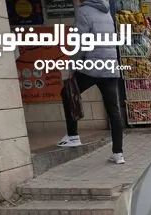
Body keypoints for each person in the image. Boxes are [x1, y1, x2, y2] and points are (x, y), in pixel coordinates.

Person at [56, 0, 125, 164]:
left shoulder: (84, 11)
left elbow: (79, 43)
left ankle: (73, 136)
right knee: (113, 110)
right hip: (110, 66)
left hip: (92, 66)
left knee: (67, 92)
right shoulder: (107, 11)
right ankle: (118, 153)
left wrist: (72, 67)